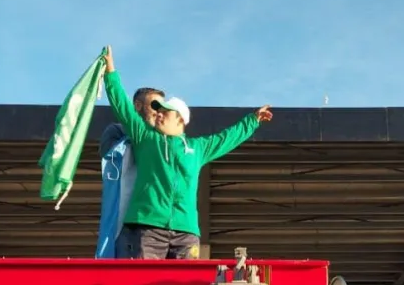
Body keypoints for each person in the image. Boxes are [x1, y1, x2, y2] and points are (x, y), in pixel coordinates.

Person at [102, 45, 273, 259]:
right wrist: (110, 72)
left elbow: (227, 138)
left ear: (181, 119)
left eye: (165, 111)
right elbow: (123, 107)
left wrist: (253, 120)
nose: (159, 115)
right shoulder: (146, 138)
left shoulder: (198, 148)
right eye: (158, 110)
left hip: (186, 233)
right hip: (147, 228)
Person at [94, 87, 165, 258]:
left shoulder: (166, 141)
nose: (159, 112)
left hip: (156, 222)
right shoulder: (117, 131)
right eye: (155, 105)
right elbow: (109, 155)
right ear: (137, 106)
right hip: (126, 219)